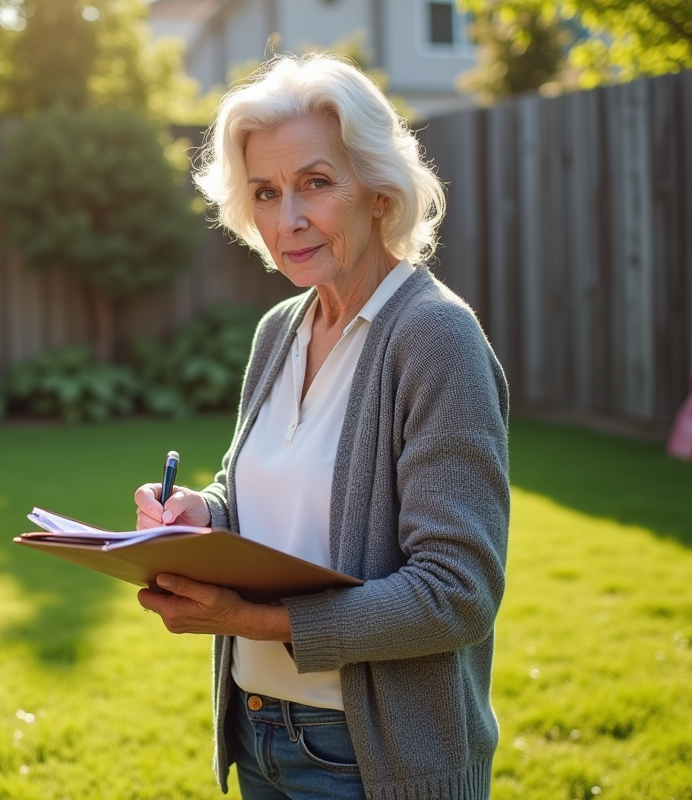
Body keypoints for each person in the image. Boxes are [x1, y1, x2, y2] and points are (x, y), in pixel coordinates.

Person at [132, 53, 509, 800]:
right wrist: (200, 514)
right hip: (258, 727)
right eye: (266, 192)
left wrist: (253, 618)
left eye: (315, 183)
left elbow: (457, 591)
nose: (288, 218)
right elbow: (271, 500)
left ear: (377, 189)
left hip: (367, 756)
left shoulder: (436, 338)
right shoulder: (280, 329)